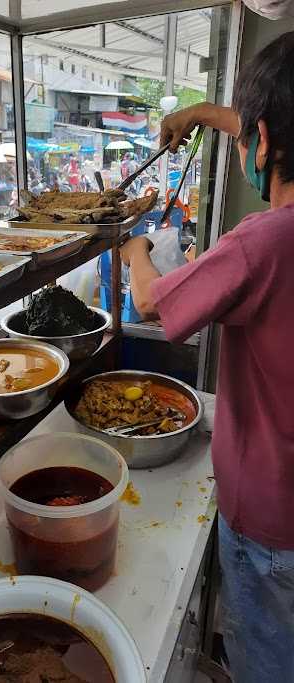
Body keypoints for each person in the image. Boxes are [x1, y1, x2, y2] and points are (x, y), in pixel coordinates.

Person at [121, 32, 294, 683]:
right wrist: (199, 114)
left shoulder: (261, 241)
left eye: (248, 135)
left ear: (266, 140)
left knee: (264, 660)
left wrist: (135, 250)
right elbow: (267, 127)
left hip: (269, 520)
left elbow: (152, 307)